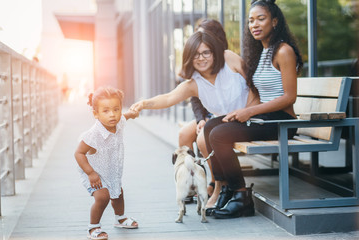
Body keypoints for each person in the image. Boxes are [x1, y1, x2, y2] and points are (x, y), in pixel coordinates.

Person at [130, 30, 257, 207]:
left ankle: (227, 189)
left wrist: (252, 109)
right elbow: (167, 98)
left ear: (214, 52)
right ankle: (222, 187)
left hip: (253, 118)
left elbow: (253, 83)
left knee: (211, 133)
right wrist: (143, 104)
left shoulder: (229, 58)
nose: (201, 58)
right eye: (196, 54)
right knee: (207, 134)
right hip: (229, 125)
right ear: (189, 57)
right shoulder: (194, 84)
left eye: (206, 52)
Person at [203, 0, 303, 219]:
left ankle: (240, 196)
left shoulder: (284, 51)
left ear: (275, 22)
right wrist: (241, 111)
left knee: (219, 135)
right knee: (212, 125)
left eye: (261, 18)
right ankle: (229, 189)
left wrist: (250, 112)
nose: (254, 24)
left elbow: (289, 97)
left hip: (282, 121)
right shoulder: (264, 51)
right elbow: (260, 96)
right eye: (250, 20)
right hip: (265, 117)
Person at [74, 86, 139, 240]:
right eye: (106, 111)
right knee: (103, 196)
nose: (112, 115)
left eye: (116, 109)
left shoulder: (119, 122)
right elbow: (78, 153)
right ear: (95, 114)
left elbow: (125, 116)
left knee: (118, 192)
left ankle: (120, 218)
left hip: (111, 168)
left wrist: (133, 113)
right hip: (92, 171)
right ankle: (93, 227)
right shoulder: (93, 135)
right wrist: (91, 173)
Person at [178, 18, 229, 200]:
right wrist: (200, 119)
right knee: (184, 134)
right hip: (207, 115)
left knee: (202, 138)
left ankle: (214, 182)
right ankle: (191, 183)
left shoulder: (225, 60)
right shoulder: (199, 61)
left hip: (224, 115)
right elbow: (195, 98)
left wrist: (209, 121)